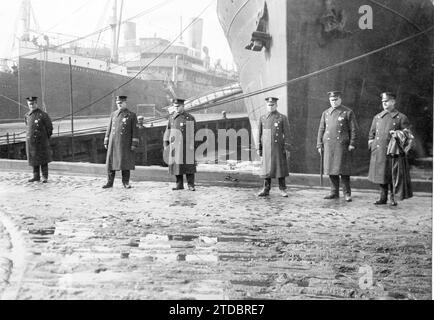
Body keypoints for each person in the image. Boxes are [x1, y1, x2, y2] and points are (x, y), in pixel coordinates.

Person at [368, 92, 412, 206]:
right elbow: (371, 134)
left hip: (393, 152)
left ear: (393, 102)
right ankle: (382, 197)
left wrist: (398, 133)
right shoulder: (377, 117)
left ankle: (393, 198)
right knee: (381, 176)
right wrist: (372, 144)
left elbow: (408, 135)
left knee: (392, 175)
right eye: (383, 101)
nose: (384, 103)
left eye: (387, 101)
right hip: (379, 151)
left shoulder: (401, 117)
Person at [317, 91, 358, 202]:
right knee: (331, 169)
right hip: (329, 145)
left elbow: (353, 129)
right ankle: (334, 192)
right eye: (331, 100)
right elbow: (321, 129)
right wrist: (319, 144)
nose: (333, 102)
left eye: (335, 99)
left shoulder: (347, 112)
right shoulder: (326, 113)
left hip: (342, 145)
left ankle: (347, 193)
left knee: (343, 170)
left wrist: (352, 143)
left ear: (340, 99)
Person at [257, 97, 291, 197]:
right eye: (268, 105)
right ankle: (266, 189)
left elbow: (287, 134)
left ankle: (283, 189)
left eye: (272, 105)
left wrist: (287, 147)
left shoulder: (282, 117)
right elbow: (259, 134)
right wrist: (259, 148)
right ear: (266, 105)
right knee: (266, 170)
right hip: (267, 148)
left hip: (278, 148)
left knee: (280, 169)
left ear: (276, 105)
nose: (270, 106)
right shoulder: (262, 118)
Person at [103, 96, 139, 189]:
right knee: (111, 163)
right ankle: (109, 182)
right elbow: (109, 128)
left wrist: (134, 143)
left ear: (125, 103)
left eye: (121, 103)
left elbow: (135, 131)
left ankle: (125, 182)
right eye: (118, 103)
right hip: (113, 142)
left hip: (124, 143)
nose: (119, 105)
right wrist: (106, 140)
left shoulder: (131, 115)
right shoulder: (113, 114)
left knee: (125, 163)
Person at [163, 98, 197, 191]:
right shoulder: (172, 118)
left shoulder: (189, 117)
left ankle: (191, 185)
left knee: (189, 166)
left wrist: (191, 145)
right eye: (175, 106)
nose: (176, 108)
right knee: (177, 166)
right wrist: (166, 144)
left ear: (183, 106)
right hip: (175, 146)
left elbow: (192, 133)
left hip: (186, 146)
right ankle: (179, 184)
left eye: (178, 106)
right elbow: (167, 131)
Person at [24, 97, 53, 183]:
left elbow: (49, 128)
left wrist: (44, 138)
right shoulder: (27, 115)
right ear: (28, 105)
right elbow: (28, 127)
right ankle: (36, 176)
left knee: (43, 160)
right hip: (31, 142)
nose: (31, 106)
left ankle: (45, 177)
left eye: (33, 104)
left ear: (36, 103)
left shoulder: (43, 115)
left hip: (42, 142)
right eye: (30, 104)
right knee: (33, 159)